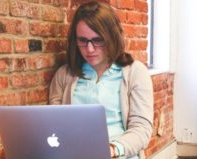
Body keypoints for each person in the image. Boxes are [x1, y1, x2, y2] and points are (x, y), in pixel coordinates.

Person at [49, 1, 153, 159]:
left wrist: (111, 149)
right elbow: (53, 125)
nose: (89, 49)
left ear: (112, 37)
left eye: (98, 40)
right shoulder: (64, 75)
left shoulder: (135, 73)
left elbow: (141, 129)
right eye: (83, 40)